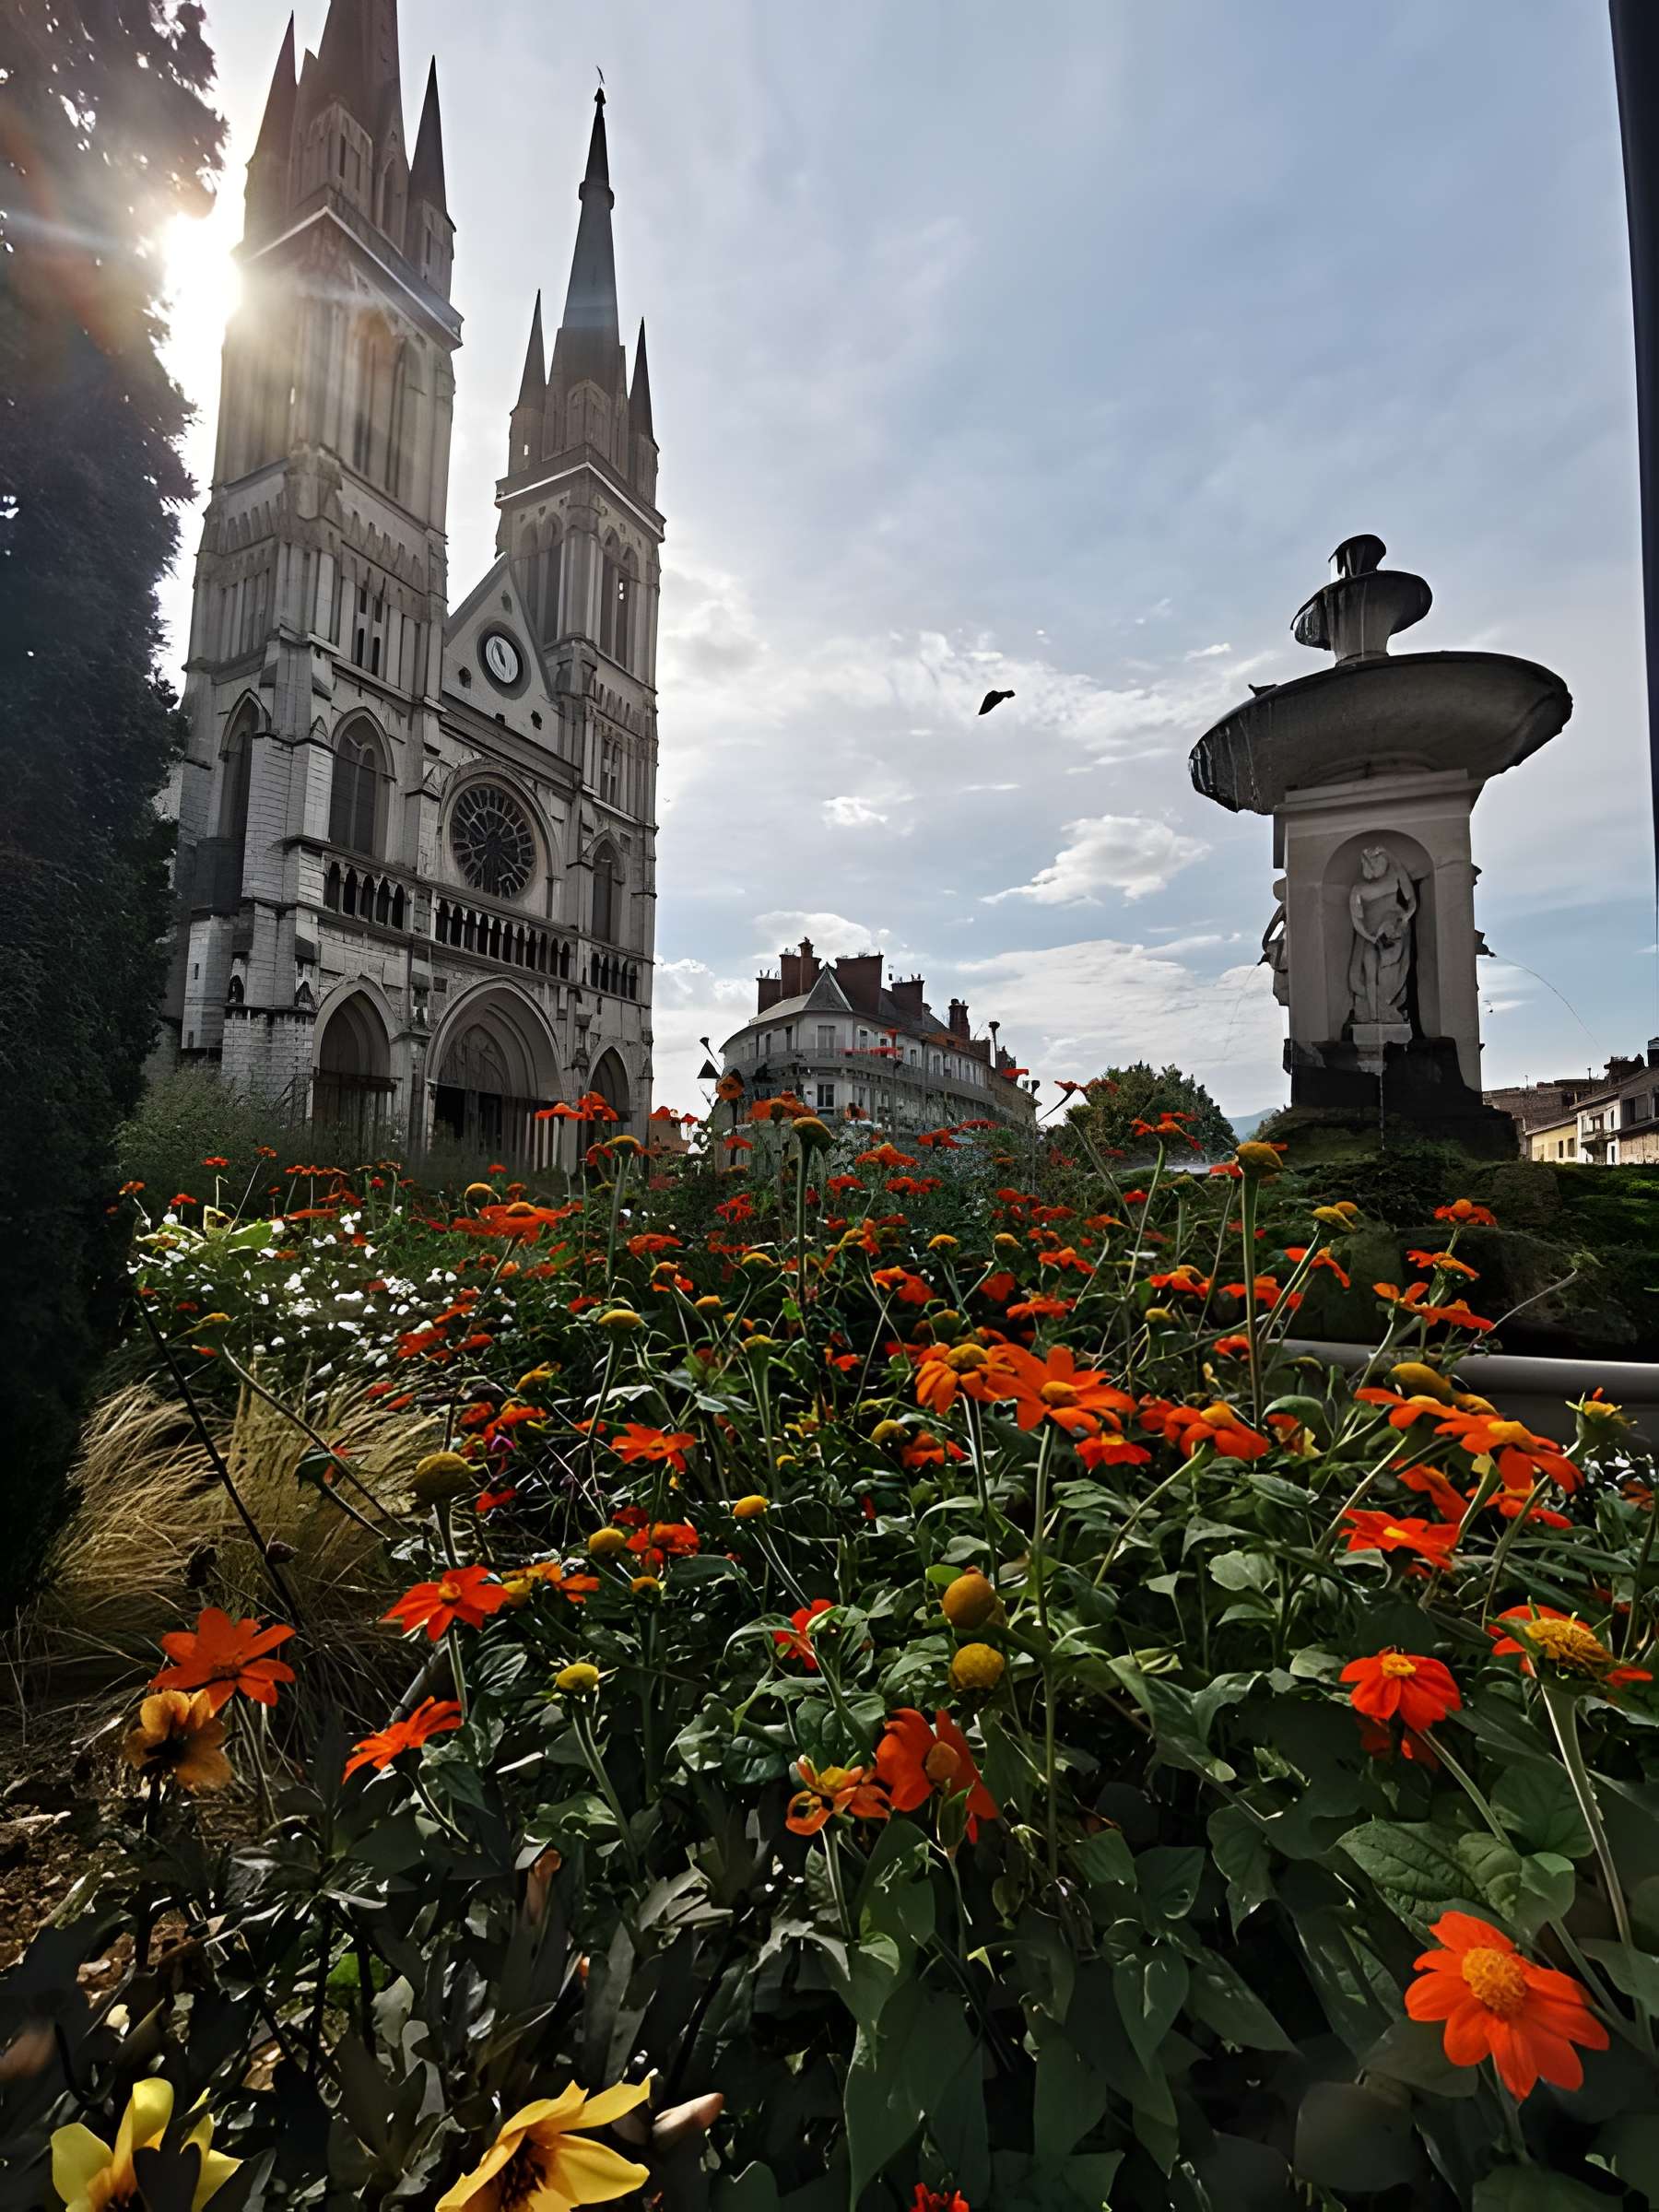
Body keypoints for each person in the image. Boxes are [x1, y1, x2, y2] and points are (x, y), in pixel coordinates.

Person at [1347, 844, 1416, 1027]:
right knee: (1370, 973)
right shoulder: (1358, 889)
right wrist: (1370, 937)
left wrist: (1403, 919)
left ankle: (1384, 1009)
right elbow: (1357, 922)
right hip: (1371, 938)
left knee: (1388, 974)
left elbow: (1412, 903)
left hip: (1393, 935)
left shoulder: (1396, 874)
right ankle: (1373, 1016)